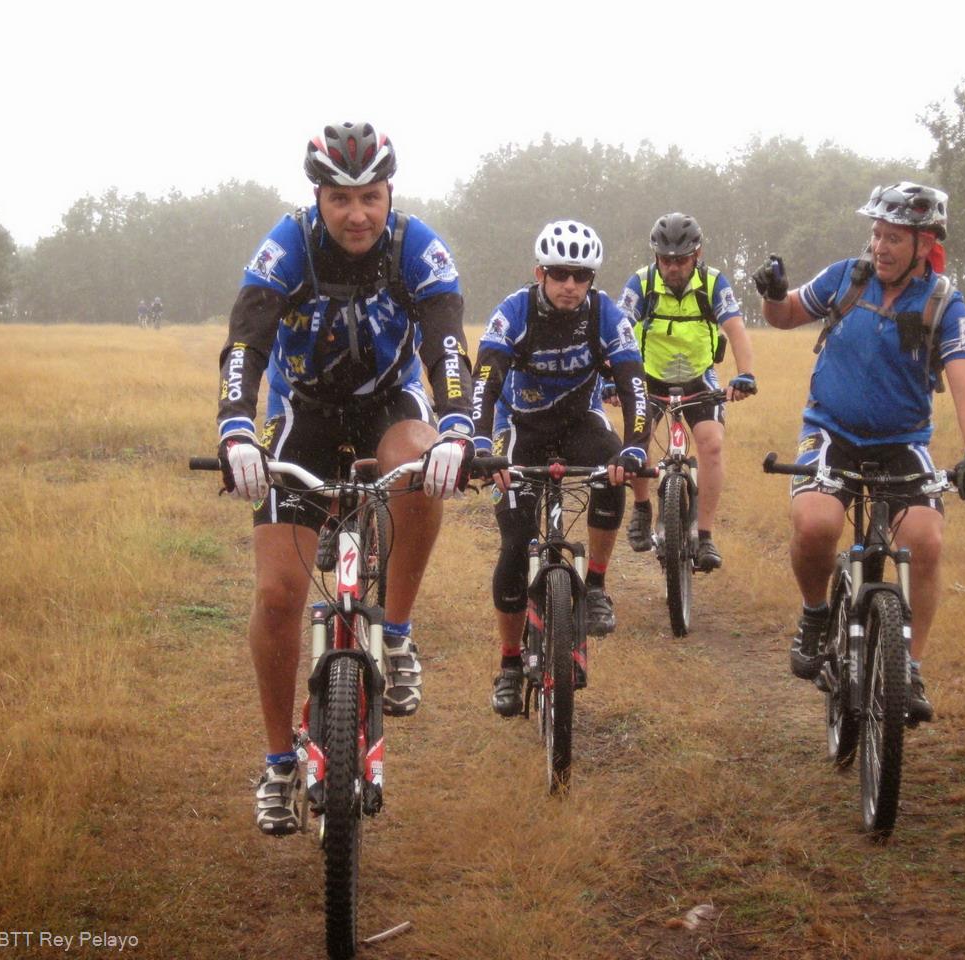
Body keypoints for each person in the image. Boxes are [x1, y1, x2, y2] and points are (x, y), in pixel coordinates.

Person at [215, 121, 477, 835]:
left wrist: (459, 425)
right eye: (340, 198)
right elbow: (245, 342)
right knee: (278, 597)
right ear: (318, 199)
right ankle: (278, 763)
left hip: (389, 405)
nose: (357, 214)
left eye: (370, 197)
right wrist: (236, 426)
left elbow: (447, 342)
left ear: (390, 193)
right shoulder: (287, 245)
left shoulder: (417, 246)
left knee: (422, 460)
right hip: (303, 412)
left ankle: (397, 630)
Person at [756, 182, 965, 724]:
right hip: (830, 432)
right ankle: (815, 614)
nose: (880, 247)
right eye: (876, 234)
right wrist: (773, 294)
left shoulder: (944, 304)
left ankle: (908, 666)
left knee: (925, 541)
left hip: (902, 443)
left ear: (924, 244)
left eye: (893, 238)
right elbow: (786, 314)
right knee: (815, 524)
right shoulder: (846, 277)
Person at [472, 220, 648, 718]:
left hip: (578, 422)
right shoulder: (514, 312)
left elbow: (633, 384)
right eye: (559, 274)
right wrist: (482, 443)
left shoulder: (606, 315)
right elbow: (485, 381)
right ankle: (510, 664)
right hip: (520, 428)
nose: (570, 284)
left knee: (612, 468)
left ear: (592, 279)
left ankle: (595, 587)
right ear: (540, 273)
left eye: (581, 275)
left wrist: (636, 447)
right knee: (514, 543)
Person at [611, 212, 756, 572]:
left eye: (681, 260)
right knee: (637, 439)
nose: (673, 268)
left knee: (711, 443)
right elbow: (616, 332)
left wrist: (745, 374)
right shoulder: (641, 284)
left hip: (698, 377)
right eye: (665, 260)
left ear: (697, 254)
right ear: (656, 257)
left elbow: (735, 328)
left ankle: (704, 535)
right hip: (648, 376)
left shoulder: (713, 283)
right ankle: (642, 507)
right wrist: (608, 380)